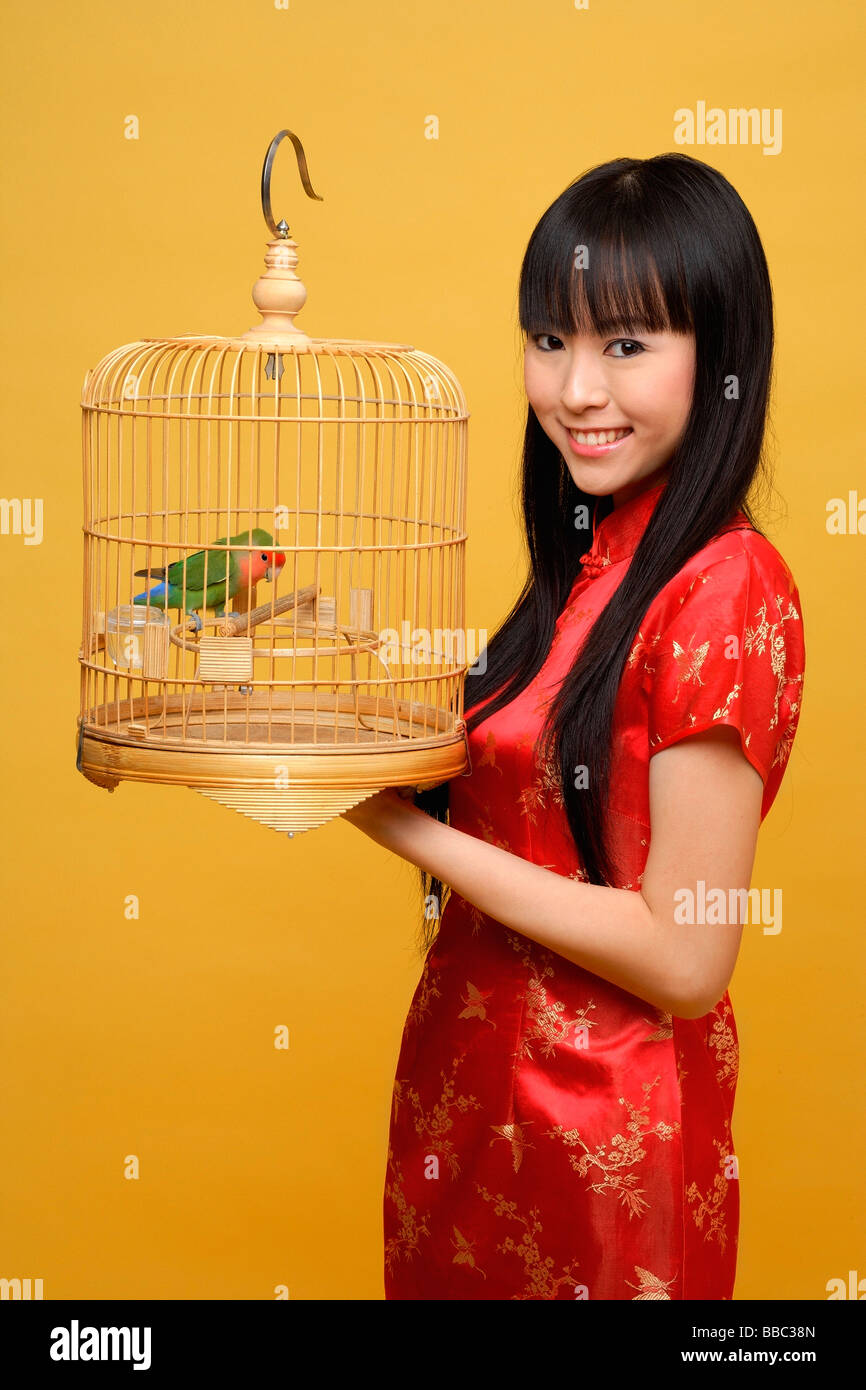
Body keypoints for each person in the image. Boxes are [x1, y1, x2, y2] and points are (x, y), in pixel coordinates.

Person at [341, 153, 806, 1300]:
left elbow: (684, 957)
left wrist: (396, 826)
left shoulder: (722, 585)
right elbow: (519, 772)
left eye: (626, 344)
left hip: (607, 1144)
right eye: (549, 340)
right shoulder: (591, 564)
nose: (575, 389)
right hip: (469, 1106)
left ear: (722, 359)